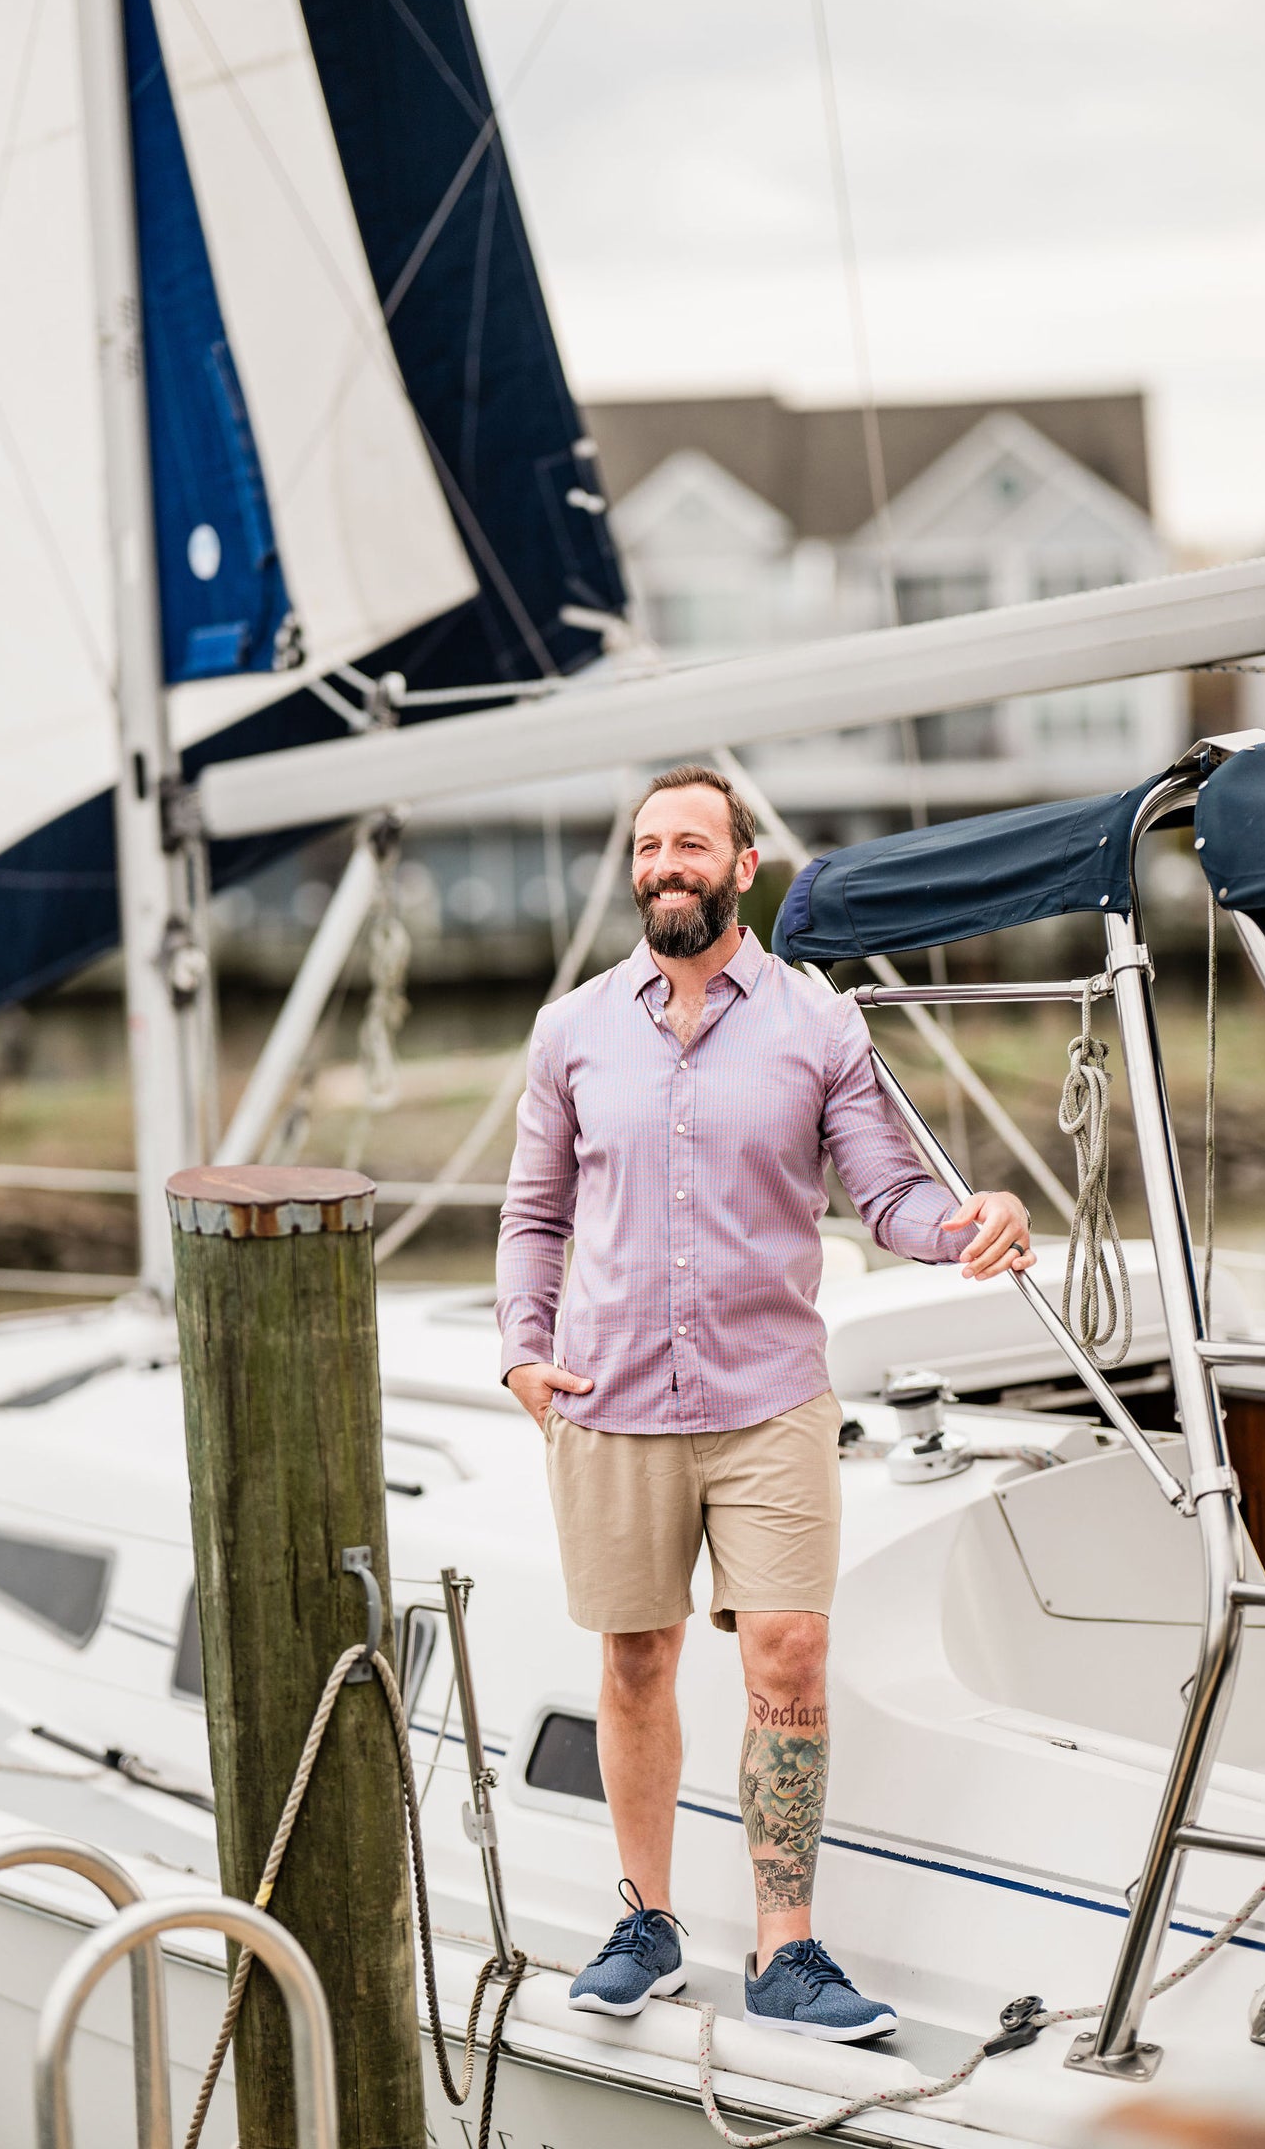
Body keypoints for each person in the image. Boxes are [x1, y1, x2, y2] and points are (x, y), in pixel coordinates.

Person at [496, 764, 1035, 2042]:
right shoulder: (569, 1028)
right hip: (611, 1395)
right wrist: (523, 1351)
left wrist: (970, 1217)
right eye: (645, 845)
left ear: (743, 866)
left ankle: (783, 1950)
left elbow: (886, 1195)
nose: (662, 864)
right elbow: (533, 1214)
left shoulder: (816, 1024)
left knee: (786, 1654)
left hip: (769, 1400)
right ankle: (647, 1919)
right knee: (636, 1658)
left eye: (690, 842)